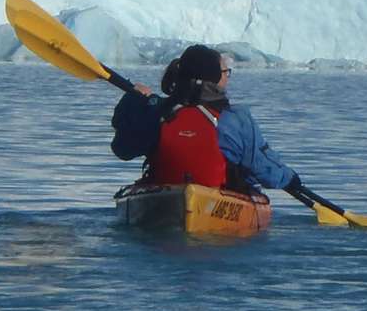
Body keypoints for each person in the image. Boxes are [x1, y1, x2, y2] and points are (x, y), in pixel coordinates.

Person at [109, 44, 308, 199]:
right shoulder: (236, 120)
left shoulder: (155, 112)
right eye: (225, 72)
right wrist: (291, 179)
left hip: (163, 199)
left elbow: (122, 149)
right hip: (219, 202)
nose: (227, 78)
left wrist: (133, 100)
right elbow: (267, 172)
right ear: (213, 78)